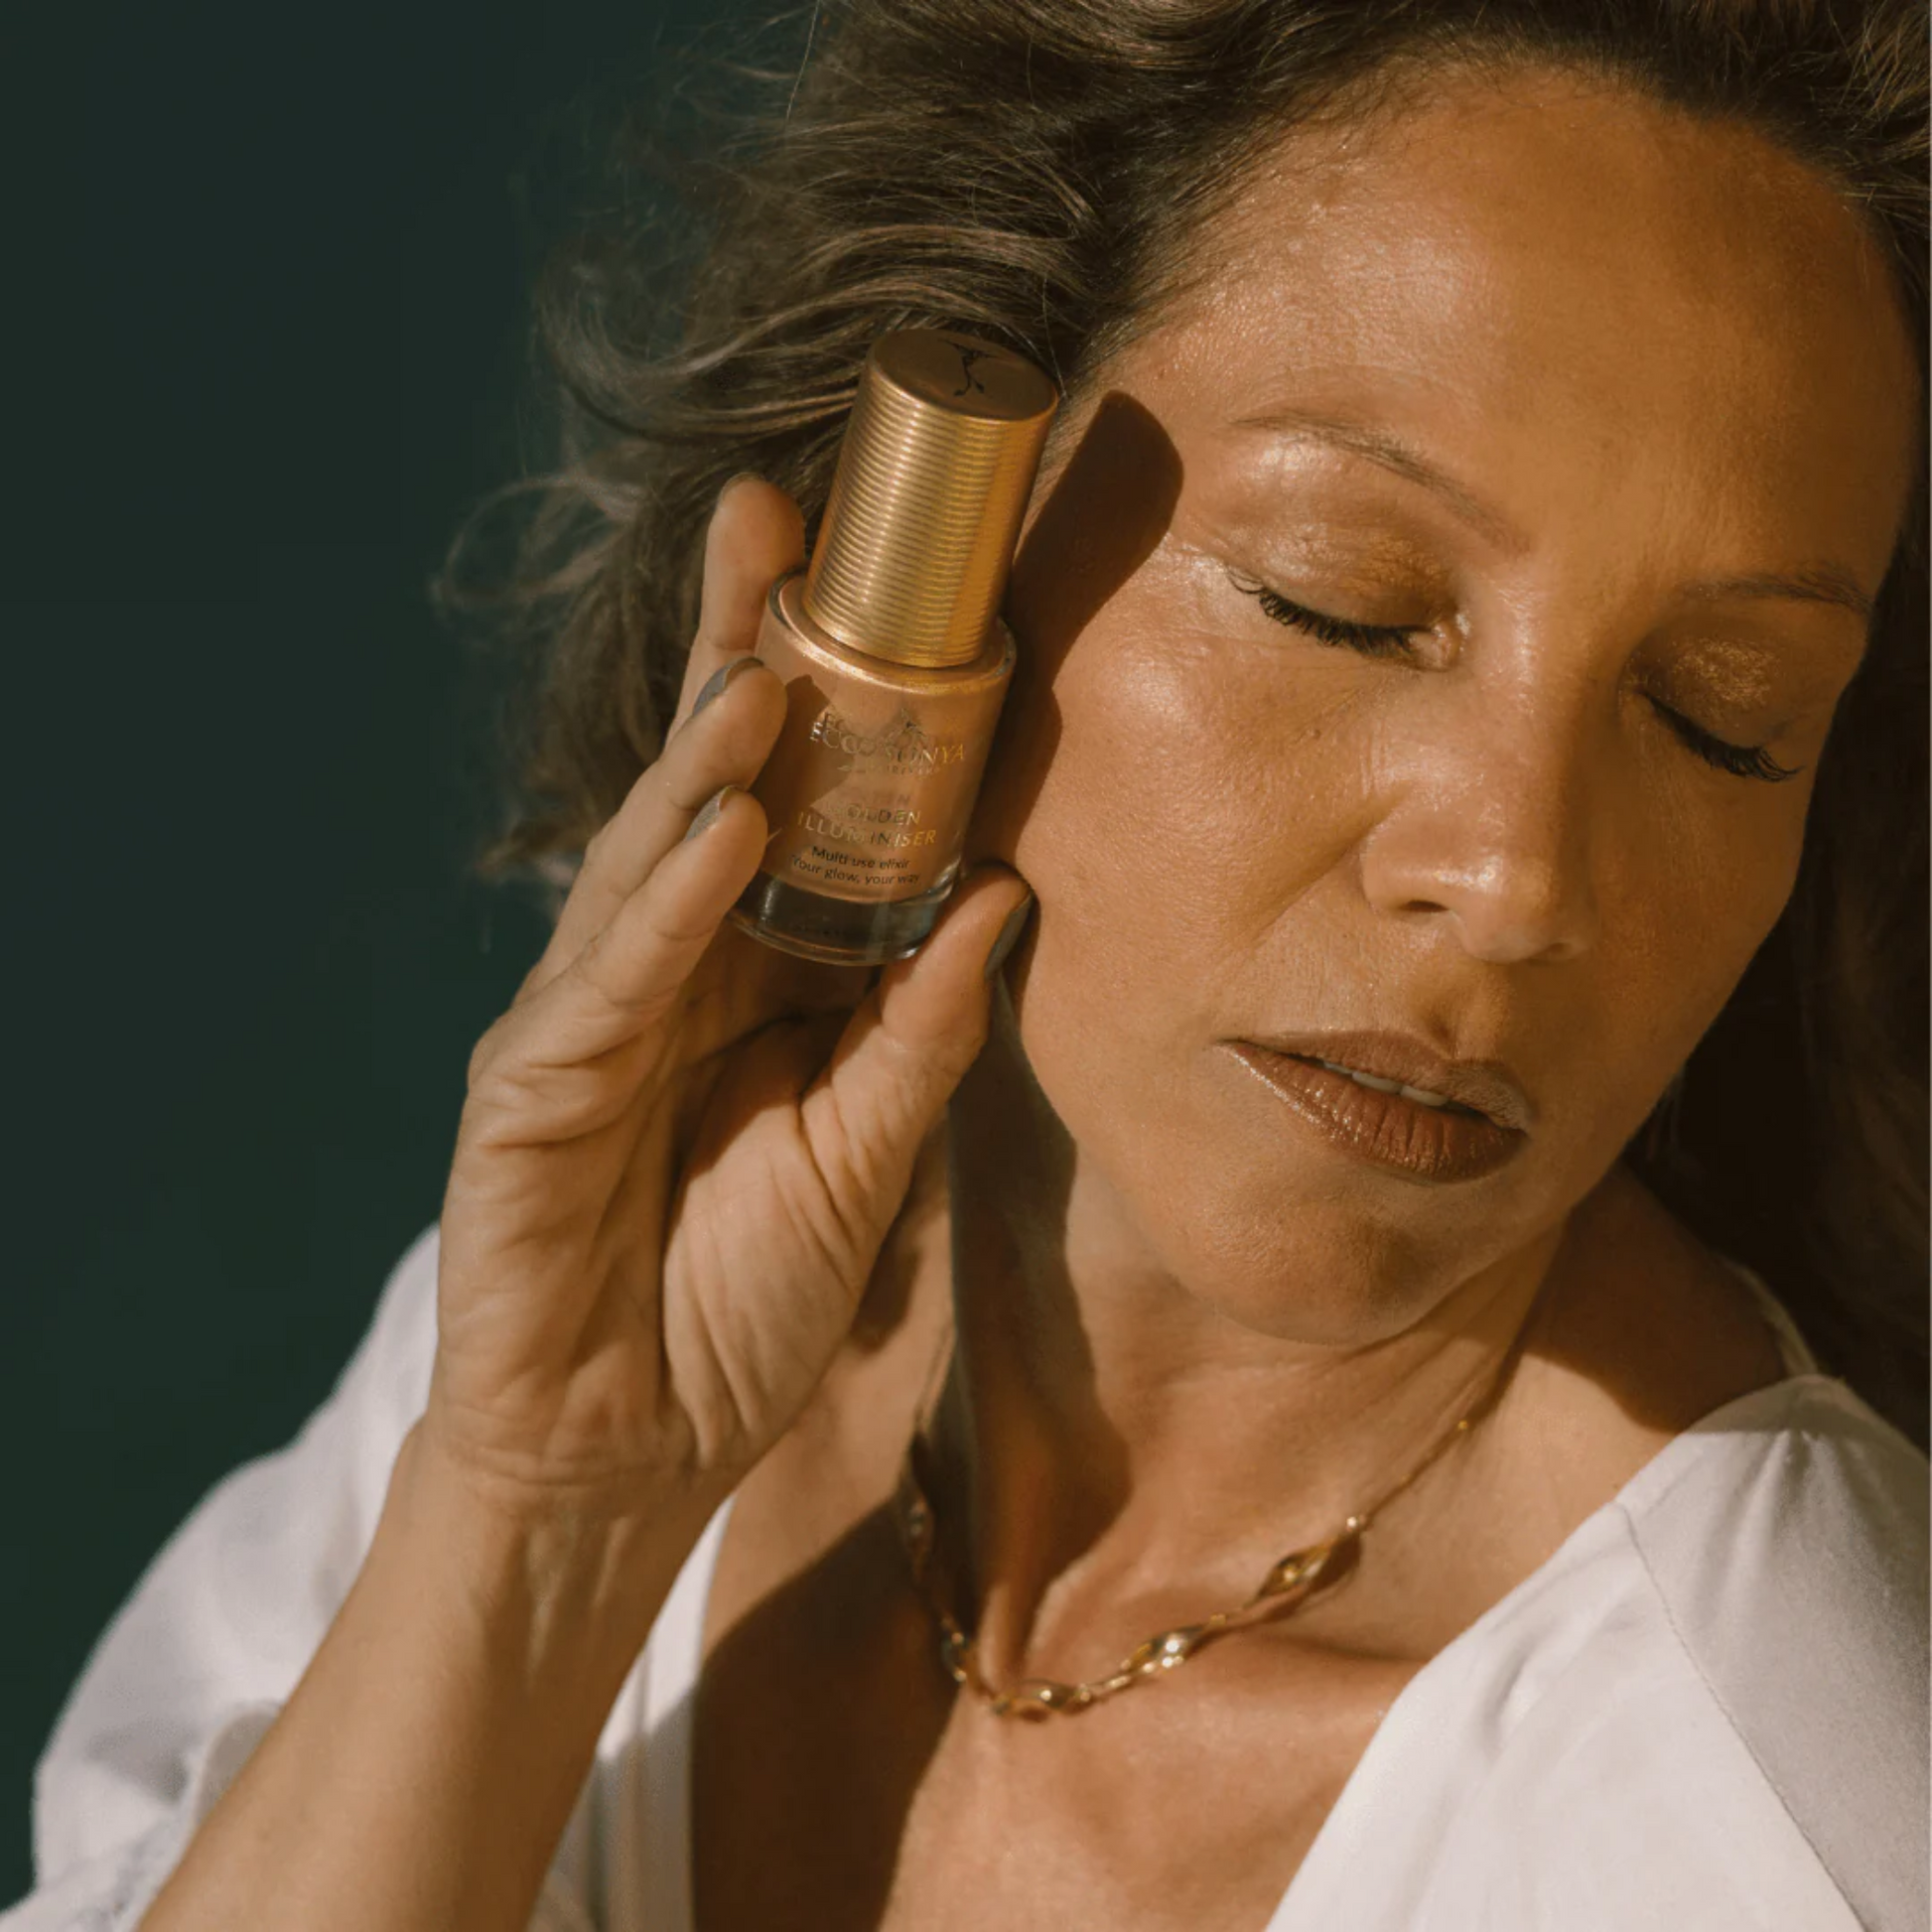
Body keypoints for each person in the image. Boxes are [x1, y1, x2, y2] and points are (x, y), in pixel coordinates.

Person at [9, 1, 1928, 1927]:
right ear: (921, 569)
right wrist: (532, 1529)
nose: (1513, 872)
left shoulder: (1778, 1802)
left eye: (1719, 717)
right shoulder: (571, 1345)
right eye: (1337, 601)